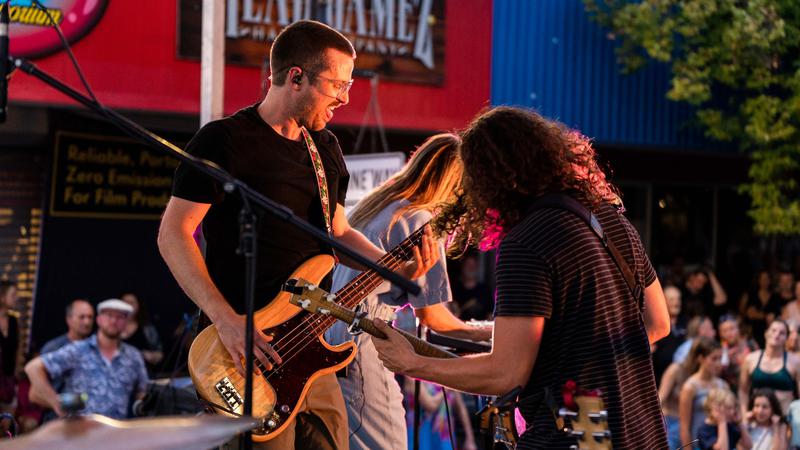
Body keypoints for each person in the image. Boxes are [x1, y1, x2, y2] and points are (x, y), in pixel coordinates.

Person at [157, 20, 437, 450]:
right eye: (337, 85)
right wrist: (225, 320)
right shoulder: (223, 140)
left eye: (348, 86)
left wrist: (390, 268)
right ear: (296, 77)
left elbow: (337, 233)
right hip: (244, 352)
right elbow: (174, 234)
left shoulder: (325, 148)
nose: (345, 98)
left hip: (310, 349)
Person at [371, 106, 671, 448]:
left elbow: (505, 373)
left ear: (493, 179)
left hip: (577, 434)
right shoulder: (611, 218)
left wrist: (412, 363)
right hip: (642, 431)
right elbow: (658, 323)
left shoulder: (528, 241)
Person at [324, 133, 491, 450]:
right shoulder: (420, 220)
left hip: (332, 341)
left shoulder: (378, 206)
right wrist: (490, 332)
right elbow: (433, 318)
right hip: (364, 345)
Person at [24, 299, 149, 419]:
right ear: (99, 319)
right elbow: (33, 373)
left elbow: (143, 392)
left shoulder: (133, 357)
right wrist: (58, 404)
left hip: (115, 430)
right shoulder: (77, 349)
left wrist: (141, 409)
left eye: (120, 317)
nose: (114, 321)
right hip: (78, 428)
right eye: (109, 315)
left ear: (127, 323)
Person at [739, 320, 800, 418]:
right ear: (766, 333)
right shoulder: (750, 359)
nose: (777, 335)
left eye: (782, 333)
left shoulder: (795, 362)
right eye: (773, 330)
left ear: (786, 338)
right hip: (757, 417)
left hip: (784, 417)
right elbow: (743, 391)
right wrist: (744, 415)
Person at [678, 337, 729, 448]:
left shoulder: (723, 385)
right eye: (714, 359)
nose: (718, 363)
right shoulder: (690, 387)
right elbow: (684, 427)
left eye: (720, 358)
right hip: (699, 445)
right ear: (701, 359)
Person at [120, 293, 163, 373]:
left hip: (143, 374)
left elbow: (159, 355)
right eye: (124, 302)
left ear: (138, 306)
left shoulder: (147, 328)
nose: (127, 305)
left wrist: (149, 356)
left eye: (131, 303)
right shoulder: (112, 327)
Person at [653, 284, 687, 384]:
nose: (676, 303)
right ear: (663, 301)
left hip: (682, 378)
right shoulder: (655, 324)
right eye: (672, 299)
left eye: (678, 299)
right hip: (659, 378)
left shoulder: (686, 322)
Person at [740, 270, 782, 348]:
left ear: (770, 280)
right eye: (762, 279)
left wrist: (758, 315)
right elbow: (744, 312)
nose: (765, 282)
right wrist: (764, 316)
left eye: (767, 279)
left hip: (770, 331)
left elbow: (776, 315)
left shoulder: (775, 296)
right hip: (752, 331)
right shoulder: (750, 294)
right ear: (758, 280)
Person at [718, 314, 757, 394]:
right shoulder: (719, 351)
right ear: (720, 334)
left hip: (752, 389)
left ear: (738, 329)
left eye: (732, 329)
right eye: (725, 331)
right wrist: (723, 361)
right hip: (730, 392)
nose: (729, 333)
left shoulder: (751, 345)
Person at [0, 281, 19, 412]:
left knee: (8, 418)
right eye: (13, 295)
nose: (16, 298)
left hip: (9, 381)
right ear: (2, 297)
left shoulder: (13, 321)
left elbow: (17, 351)